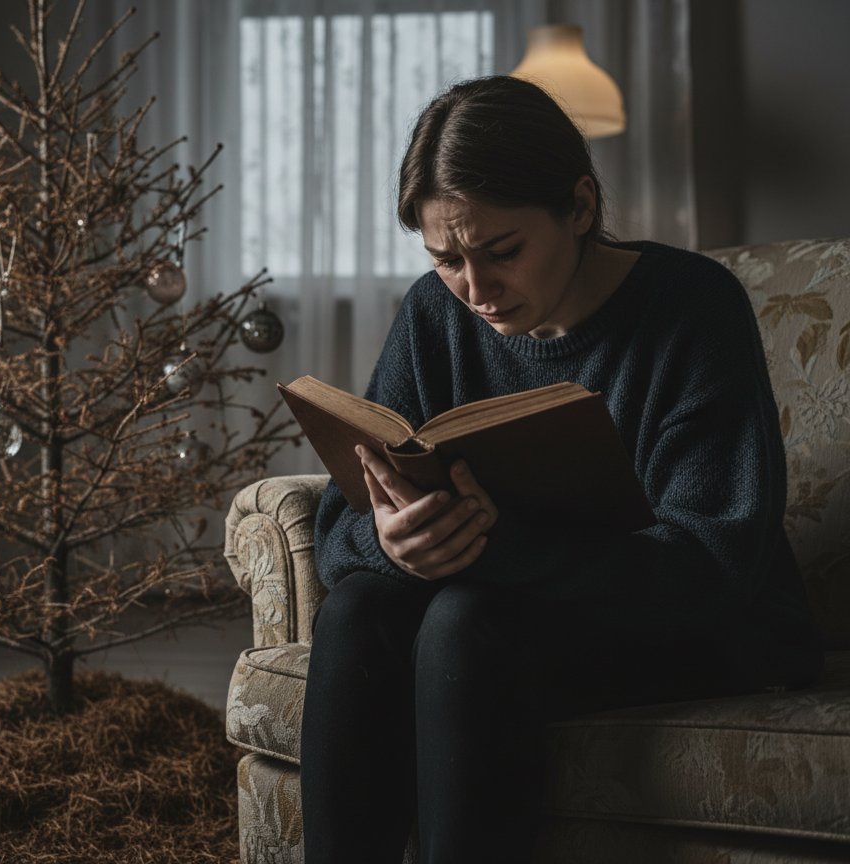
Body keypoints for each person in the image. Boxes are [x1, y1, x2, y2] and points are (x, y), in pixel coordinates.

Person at [299, 75, 825, 864]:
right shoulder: (434, 313)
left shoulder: (691, 307)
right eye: (447, 259)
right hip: (519, 604)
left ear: (580, 207)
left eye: (503, 252)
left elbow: (712, 568)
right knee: (358, 611)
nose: (476, 291)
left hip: (697, 623)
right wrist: (392, 542)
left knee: (464, 621)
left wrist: (491, 546)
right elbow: (339, 533)